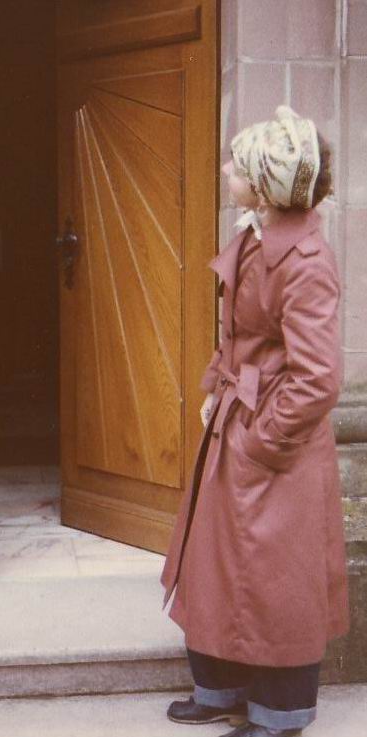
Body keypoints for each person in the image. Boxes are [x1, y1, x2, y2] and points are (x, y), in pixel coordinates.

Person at [160, 106, 350, 737]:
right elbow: (241, 335)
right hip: (239, 422)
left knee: (274, 578)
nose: (226, 171)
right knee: (217, 563)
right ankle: (220, 690)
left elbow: (318, 378)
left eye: (238, 166)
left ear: (266, 186)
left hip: (275, 444)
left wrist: (262, 442)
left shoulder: (305, 261)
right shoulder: (254, 234)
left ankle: (278, 715)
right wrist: (218, 386)